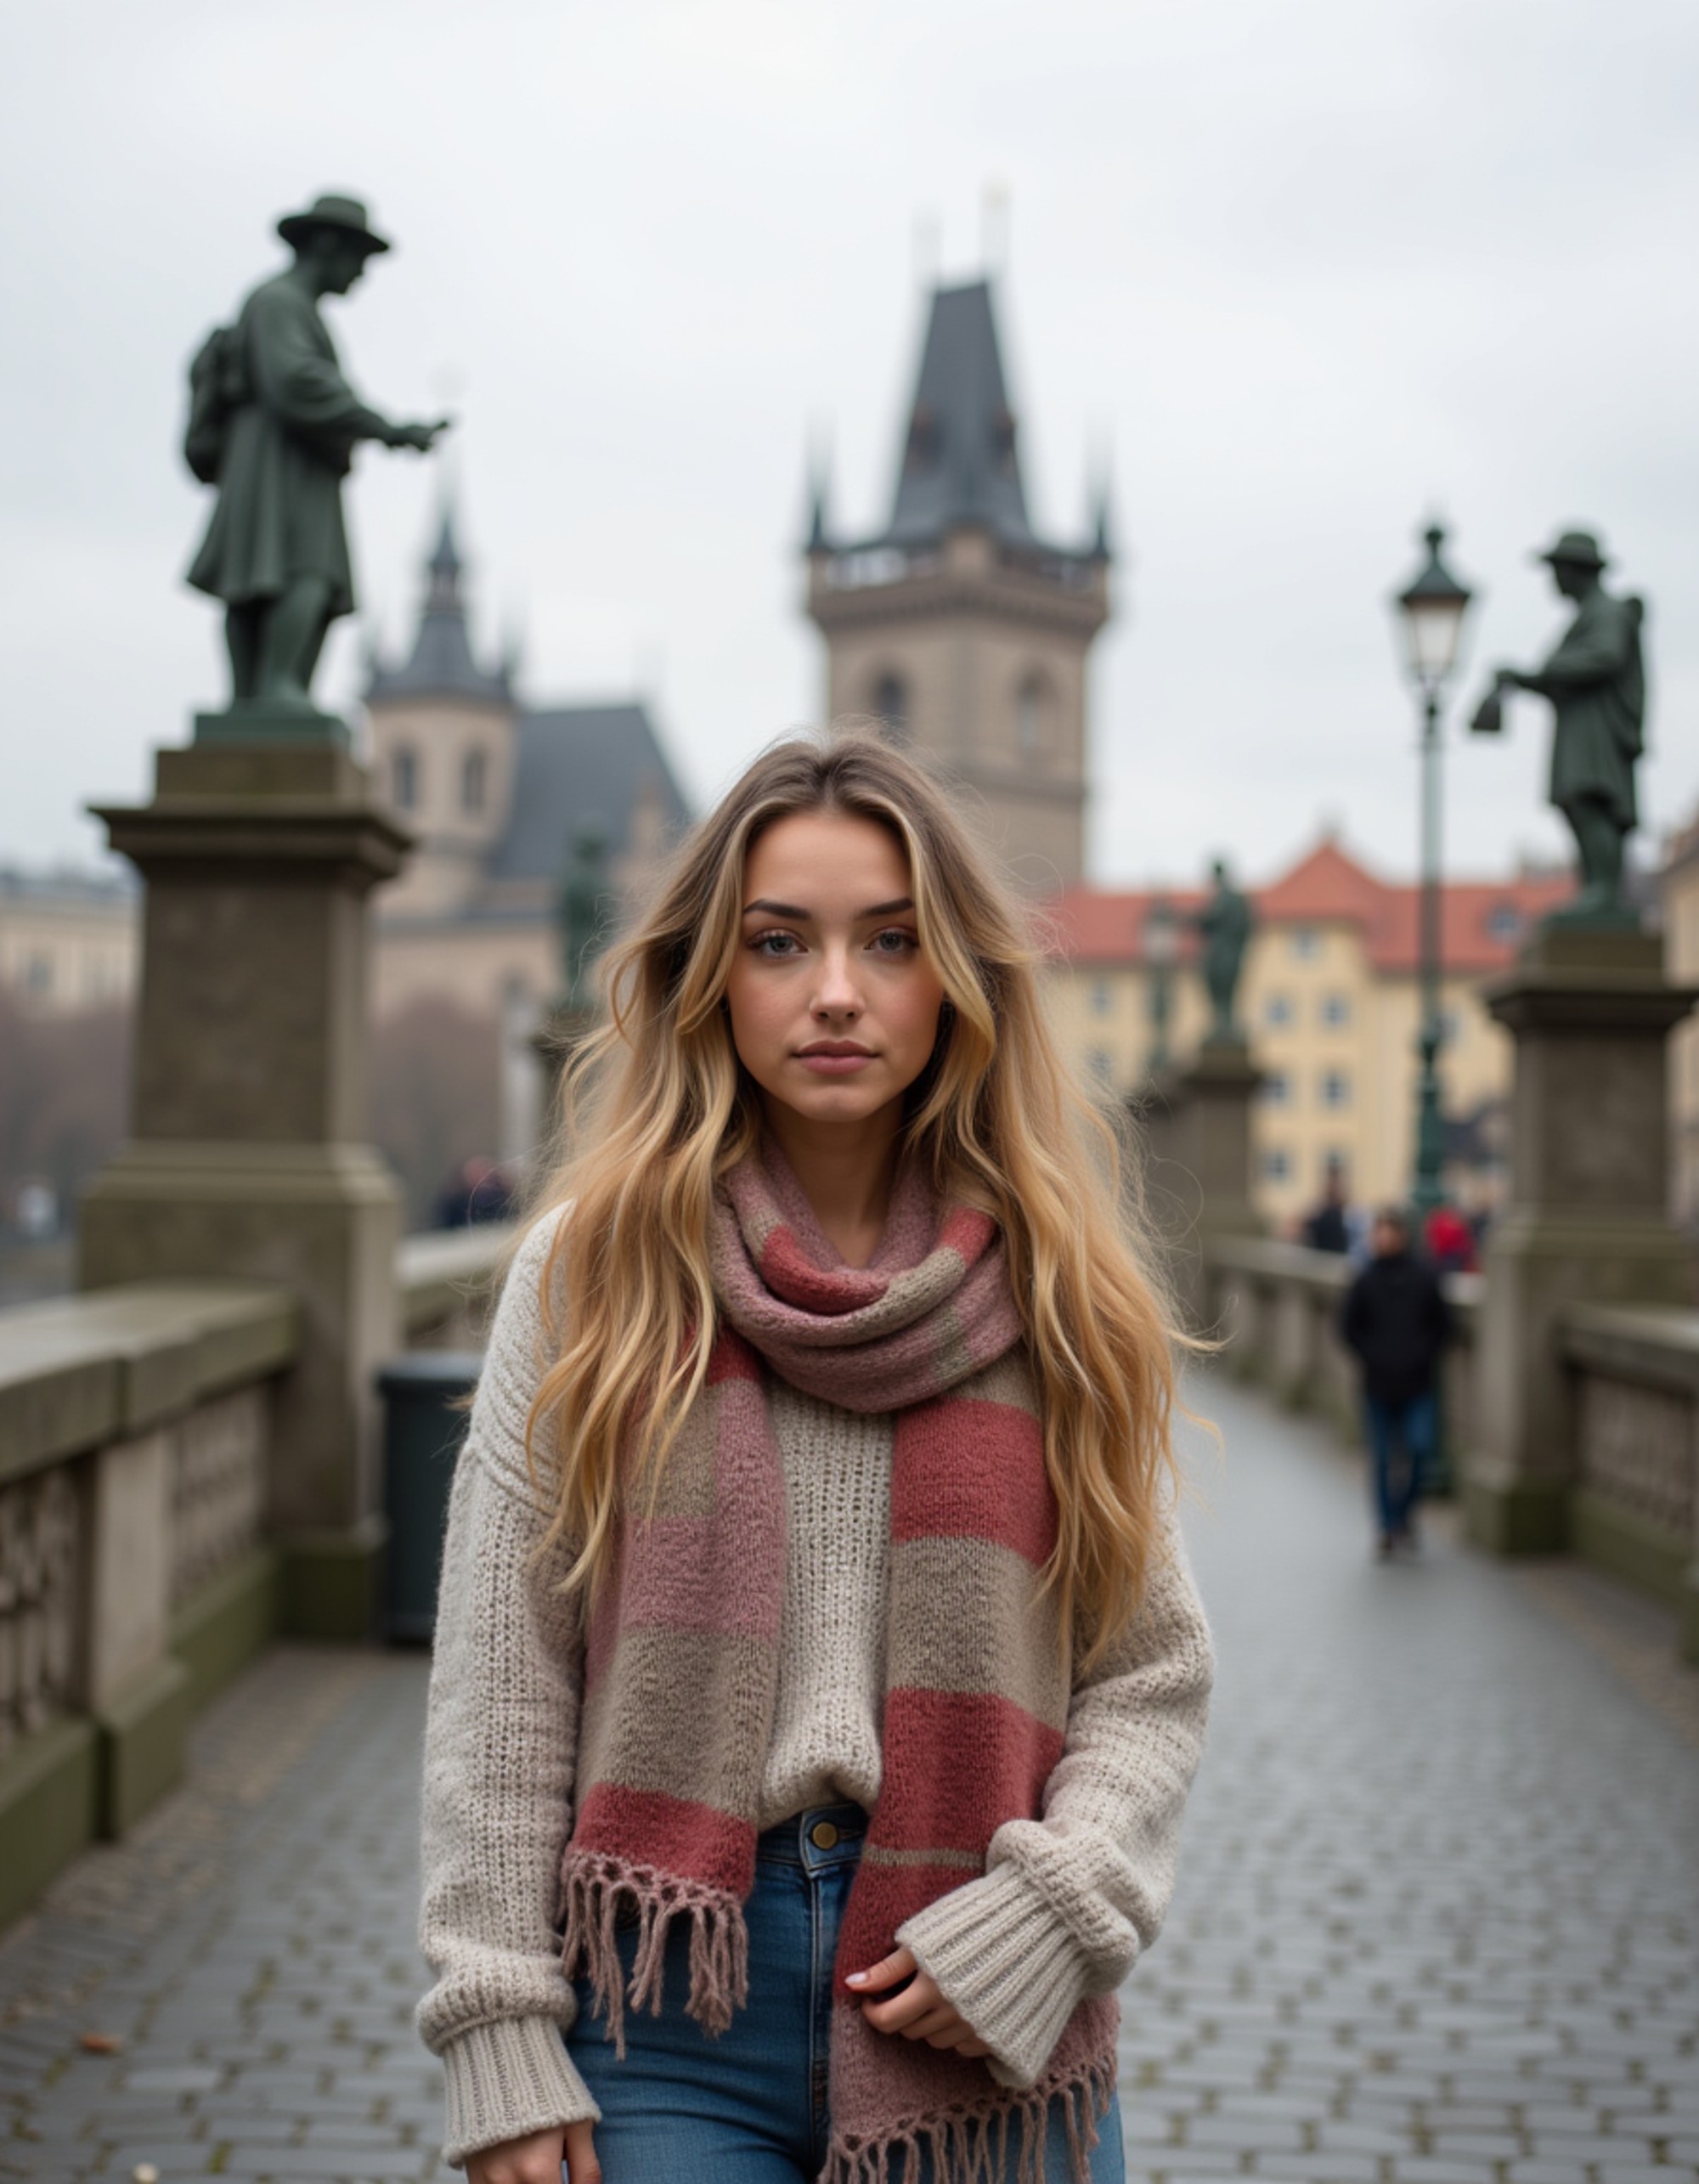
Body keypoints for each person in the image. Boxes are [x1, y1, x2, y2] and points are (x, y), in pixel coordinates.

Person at [415, 732, 1216, 2184]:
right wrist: (495, 2022)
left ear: (957, 978)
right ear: (713, 975)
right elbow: (501, 1678)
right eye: (781, 942)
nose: (836, 991)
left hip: (978, 1989)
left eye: (891, 942)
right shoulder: (594, 1275)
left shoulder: (1056, 1287)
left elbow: (1150, 1671)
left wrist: (1055, 1913)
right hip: (664, 1999)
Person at [1339, 1205, 1452, 1560]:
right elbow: (1347, 1328)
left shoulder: (1425, 1277)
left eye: (1390, 1231)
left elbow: (1445, 1326)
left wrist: (1422, 1354)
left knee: (1419, 1449)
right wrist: (1372, 1355)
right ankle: (1387, 1528)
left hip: (1418, 1384)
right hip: (1378, 1385)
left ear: (1403, 1235)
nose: (1383, 1237)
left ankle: (1404, 1515)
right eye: (1379, 1231)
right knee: (1384, 1459)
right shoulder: (1365, 1279)